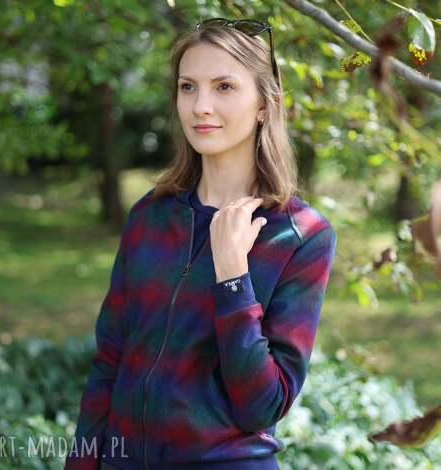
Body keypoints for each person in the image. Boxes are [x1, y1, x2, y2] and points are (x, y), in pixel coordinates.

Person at [65, 17, 337, 470]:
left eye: (224, 87)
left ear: (264, 105)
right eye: (188, 87)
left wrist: (233, 278)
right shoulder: (150, 216)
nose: (200, 106)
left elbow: (263, 406)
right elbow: (109, 363)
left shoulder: (300, 235)